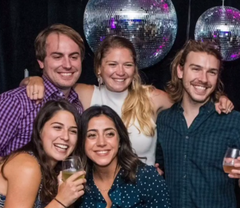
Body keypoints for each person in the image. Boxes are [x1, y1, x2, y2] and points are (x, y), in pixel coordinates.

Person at [23, 35, 233, 167]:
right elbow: (55, 83)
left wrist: (217, 98)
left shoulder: (152, 97)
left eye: (128, 65)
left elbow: (192, 104)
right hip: (95, 192)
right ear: (99, 68)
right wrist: (33, 79)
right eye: (112, 64)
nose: (120, 72)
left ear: (135, 69)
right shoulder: (85, 94)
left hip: (144, 193)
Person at [156, 39, 240, 208]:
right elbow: (159, 170)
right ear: (180, 71)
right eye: (196, 69)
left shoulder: (233, 122)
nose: (203, 78)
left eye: (212, 72)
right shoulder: (164, 121)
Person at [67, 105, 173, 208]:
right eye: (92, 135)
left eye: (109, 134)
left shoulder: (146, 177)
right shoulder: (80, 183)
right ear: (82, 142)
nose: (101, 142)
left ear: (120, 139)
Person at [0, 99, 86, 208]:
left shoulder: (53, 171)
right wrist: (61, 201)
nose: (65, 137)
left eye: (73, 131)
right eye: (57, 127)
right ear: (40, 130)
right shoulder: (28, 166)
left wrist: (59, 197)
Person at [0, 23, 85, 158]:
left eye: (74, 57)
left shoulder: (77, 105)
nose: (68, 65)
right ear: (41, 61)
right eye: (57, 56)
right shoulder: (16, 102)